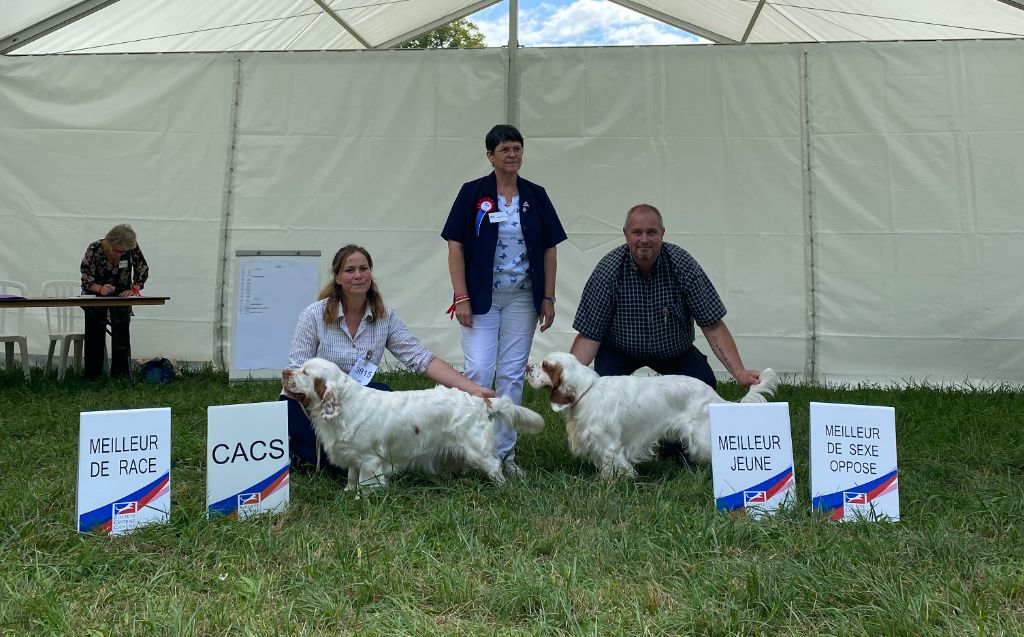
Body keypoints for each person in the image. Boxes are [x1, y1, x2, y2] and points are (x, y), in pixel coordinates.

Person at [282, 244, 495, 470]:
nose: (358, 276)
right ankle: (304, 451)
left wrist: (471, 388)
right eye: (349, 270)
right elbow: (296, 368)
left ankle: (353, 457)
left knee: (382, 394)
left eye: (363, 269)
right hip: (313, 403)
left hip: (359, 402)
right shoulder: (313, 315)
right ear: (337, 278)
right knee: (335, 459)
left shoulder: (384, 315)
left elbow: (420, 358)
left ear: (370, 274)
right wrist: (316, 401)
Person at [441, 124, 567, 476]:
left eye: (518, 149)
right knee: (479, 369)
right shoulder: (472, 193)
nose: (513, 155)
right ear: (490, 156)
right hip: (481, 297)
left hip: (522, 299)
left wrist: (548, 297)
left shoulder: (535, 195)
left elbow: (549, 248)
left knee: (511, 375)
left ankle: (504, 454)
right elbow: (455, 245)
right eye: (506, 150)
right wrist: (461, 296)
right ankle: (471, 448)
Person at [570, 203, 762, 388]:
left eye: (651, 232)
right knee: (600, 393)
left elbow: (712, 325)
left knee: (705, 386)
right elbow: (589, 334)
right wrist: (567, 378)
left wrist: (739, 372)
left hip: (674, 352)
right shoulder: (607, 271)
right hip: (621, 350)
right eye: (637, 232)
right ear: (625, 234)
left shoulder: (684, 266)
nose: (644, 239)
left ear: (662, 233)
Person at [80, 224, 149, 379]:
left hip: (121, 297)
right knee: (95, 335)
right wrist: (100, 289)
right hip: (95, 298)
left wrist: (135, 289)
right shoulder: (95, 249)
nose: (121, 254)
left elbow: (142, 269)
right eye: (118, 250)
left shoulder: (131, 247)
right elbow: (86, 277)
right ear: (110, 242)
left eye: (124, 252)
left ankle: (121, 375)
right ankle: (93, 376)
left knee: (122, 335)